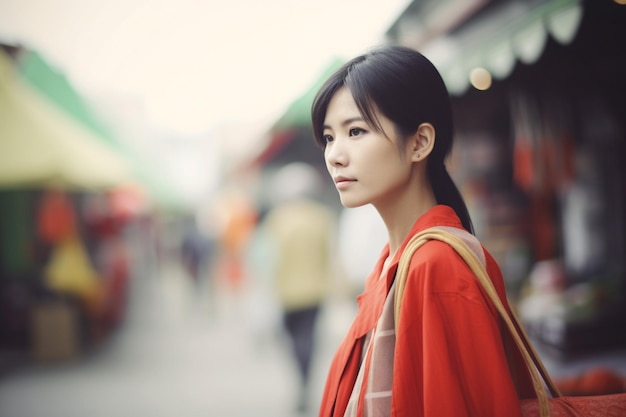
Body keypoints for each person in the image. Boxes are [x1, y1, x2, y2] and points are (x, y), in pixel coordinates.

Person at [310, 45, 536, 417]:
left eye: (355, 131)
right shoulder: (393, 264)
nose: (335, 154)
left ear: (419, 142)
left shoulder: (437, 266)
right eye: (330, 137)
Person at [261, 162, 337, 413]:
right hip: (316, 290)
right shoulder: (321, 217)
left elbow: (269, 258)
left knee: (294, 340)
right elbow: (329, 255)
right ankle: (305, 380)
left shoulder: (278, 219)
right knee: (309, 339)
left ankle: (301, 379)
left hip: (287, 291)